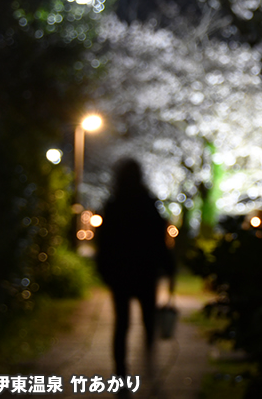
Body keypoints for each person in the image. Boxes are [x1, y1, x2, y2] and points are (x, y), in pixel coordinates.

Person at [95, 158, 176, 377]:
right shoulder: (148, 204)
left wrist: (104, 269)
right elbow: (159, 239)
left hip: (120, 273)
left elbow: (104, 241)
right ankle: (149, 360)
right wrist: (169, 268)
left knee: (121, 323)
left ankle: (120, 370)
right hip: (145, 271)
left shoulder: (114, 205)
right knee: (148, 318)